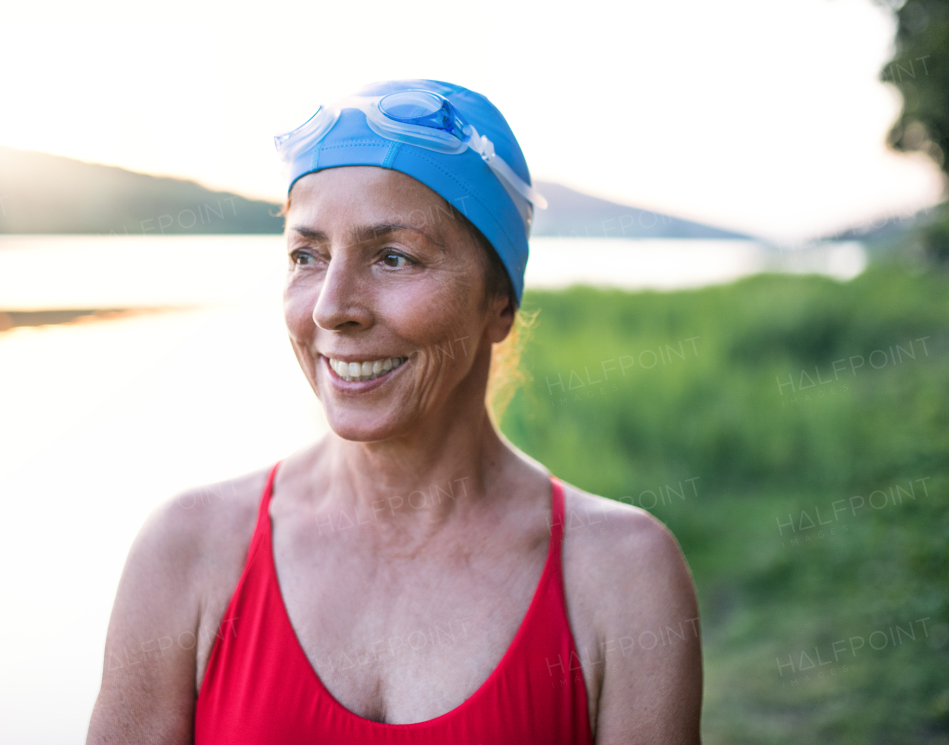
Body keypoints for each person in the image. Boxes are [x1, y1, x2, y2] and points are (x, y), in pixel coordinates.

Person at [86, 80, 703, 744]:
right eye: (306, 256)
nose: (331, 307)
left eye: (394, 257)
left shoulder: (623, 576)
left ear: (499, 301)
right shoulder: (187, 552)